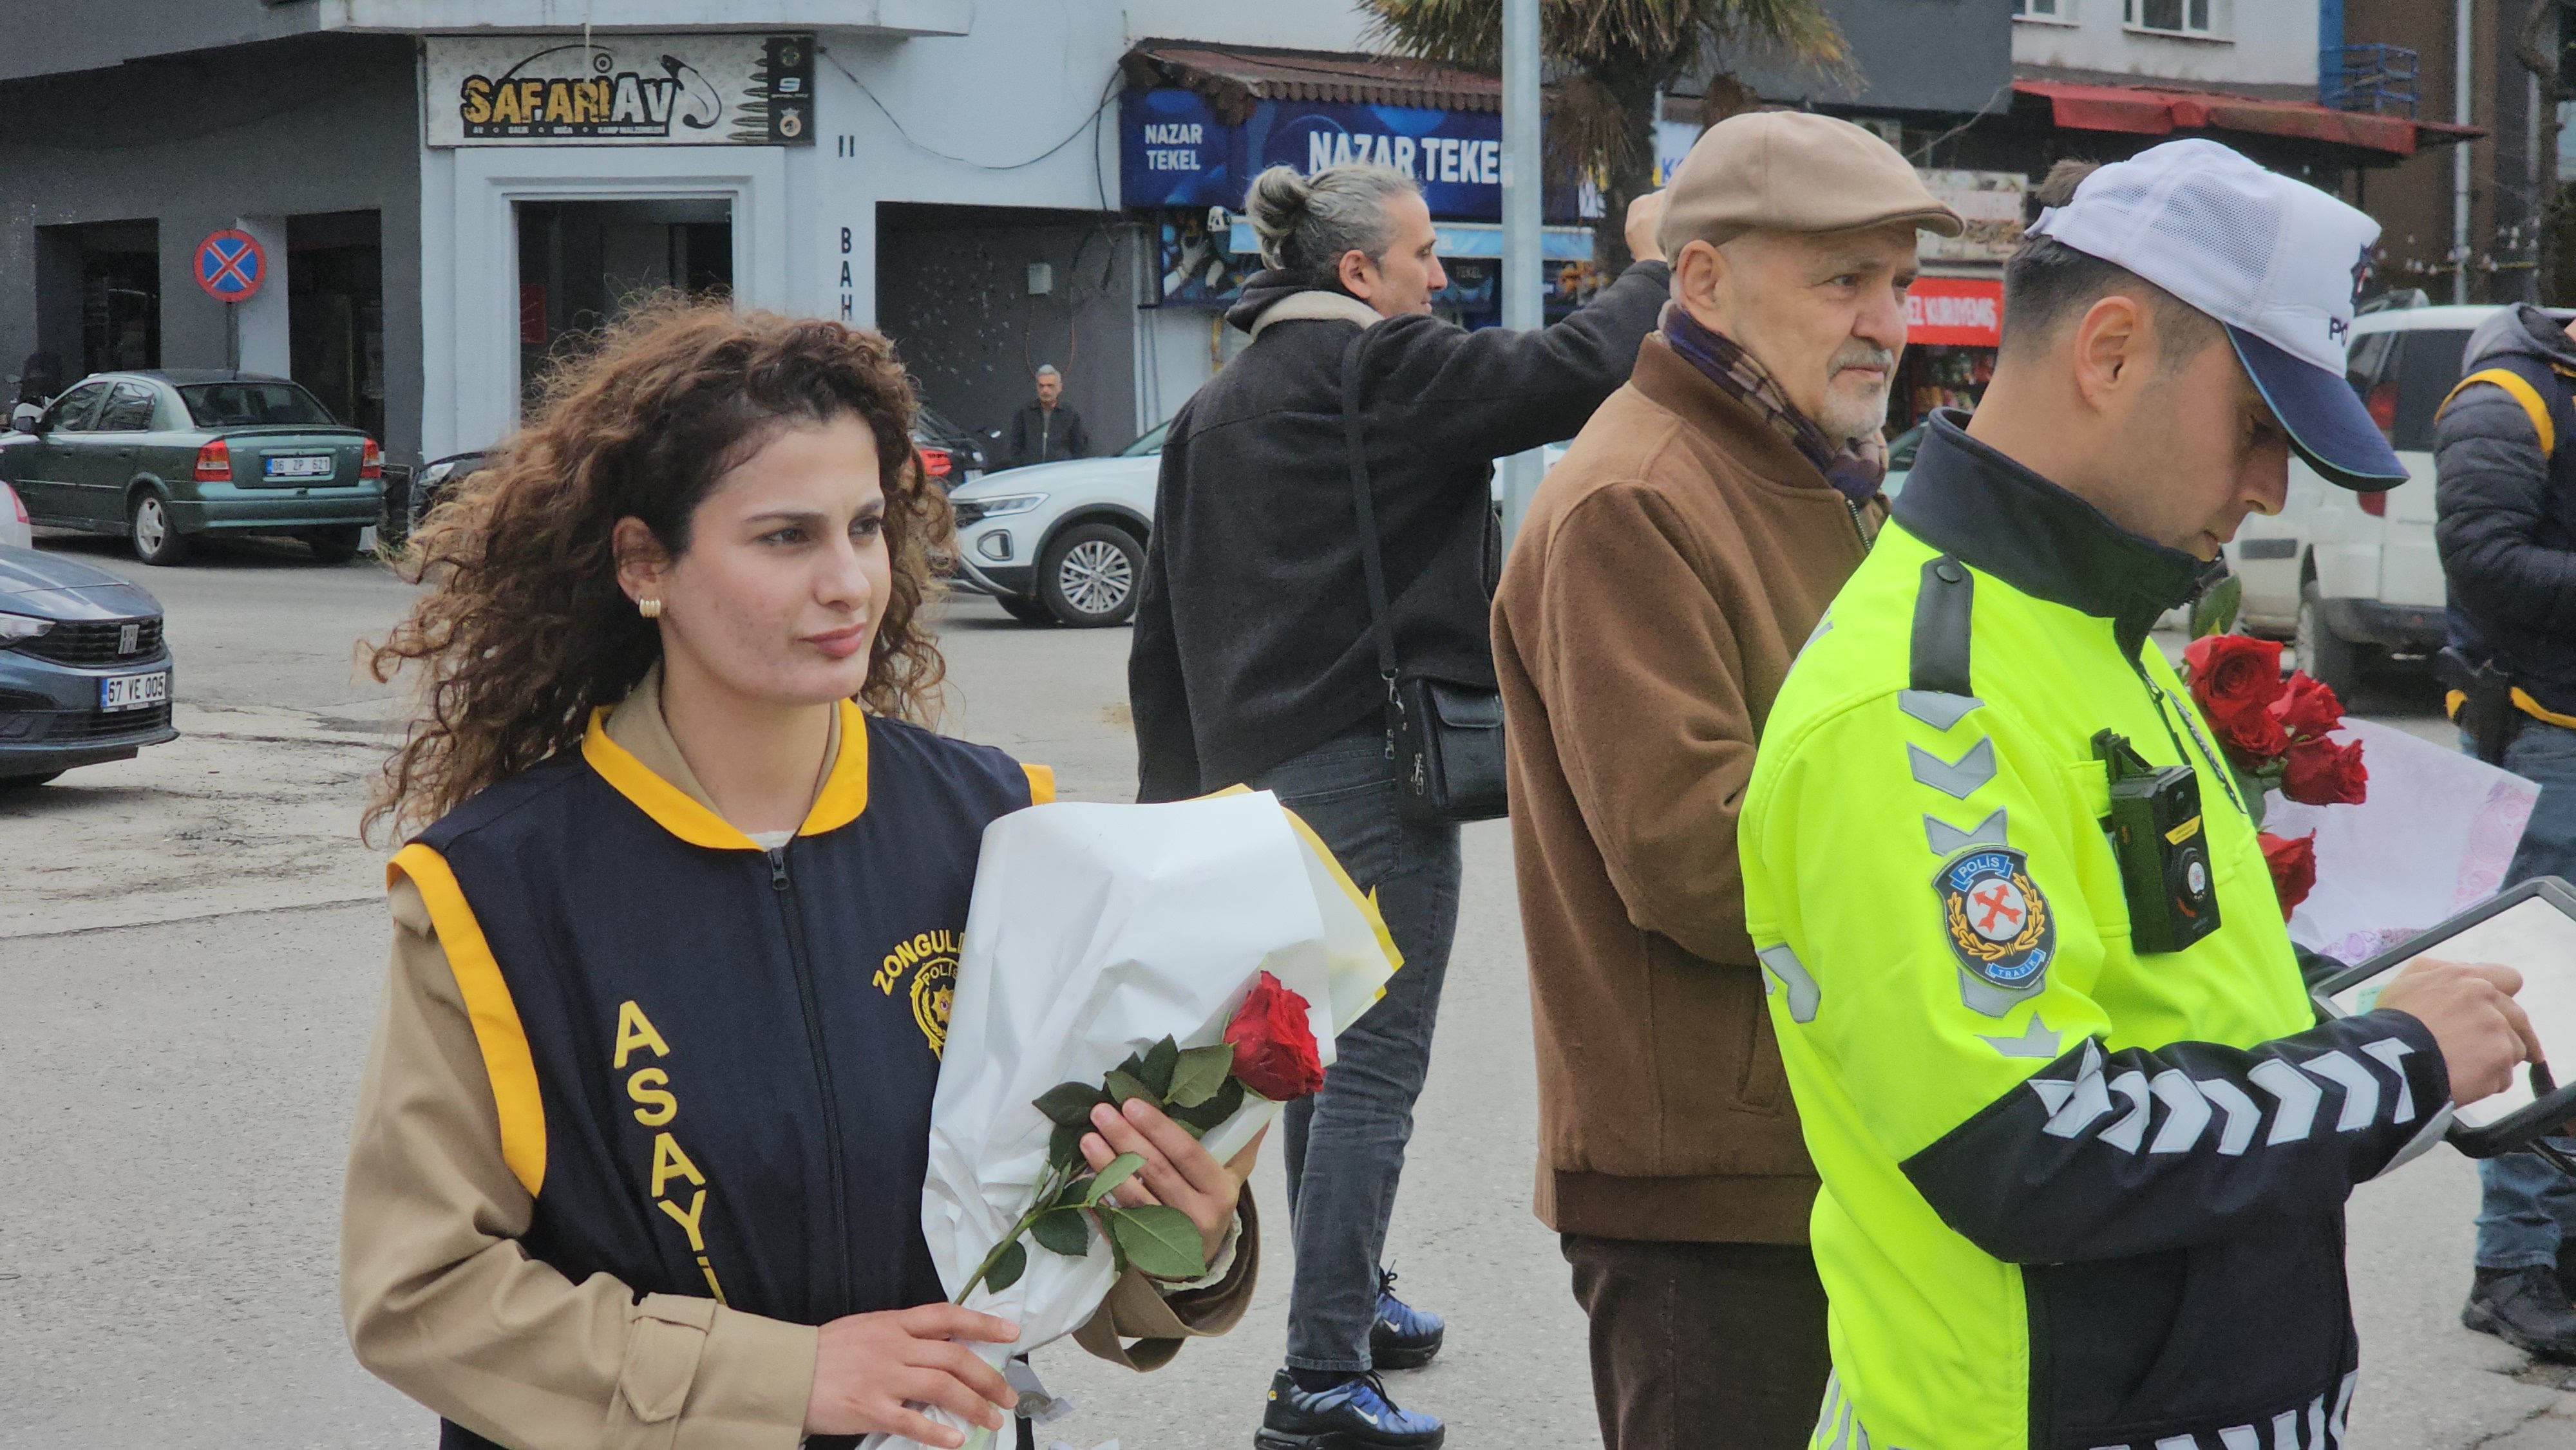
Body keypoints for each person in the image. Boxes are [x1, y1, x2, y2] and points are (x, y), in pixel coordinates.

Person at [341, 302, 1260, 1450]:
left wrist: (1194, 1237)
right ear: (645, 563)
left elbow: (1056, 1243)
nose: (851, 583)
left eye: (867, 527)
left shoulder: (1001, 827)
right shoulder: (495, 890)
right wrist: (783, 1379)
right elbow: (420, 1295)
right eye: (786, 537)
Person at [1738, 140, 2544, 1449]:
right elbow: (2027, 1145)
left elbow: (2187, 995)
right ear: (2107, 351)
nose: (2271, 487)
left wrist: (2384, 1014)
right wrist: (2393, 1063)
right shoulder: (1916, 703)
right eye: (2255, 428)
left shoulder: (2090, 626)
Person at [1128, 160, 1671, 1450]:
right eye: (1423, 256)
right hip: (1370, 778)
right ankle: (1314, 1379)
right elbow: (1574, 365)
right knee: (1365, 1073)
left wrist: (1175, 815)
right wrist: (1657, 255)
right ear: (1356, 272)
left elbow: (1158, 632)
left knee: (1306, 1059)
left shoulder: (1213, 408)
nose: (1440, 278)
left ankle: (1348, 1298)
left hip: (1248, 790)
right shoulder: (1379, 368)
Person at [1491, 111, 1960, 1450]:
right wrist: (1964, 850)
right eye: (1838, 281)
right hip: (1703, 1180)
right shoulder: (1633, 497)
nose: (1882, 320)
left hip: (1816, 1142)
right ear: (1700, 283)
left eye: (1895, 282)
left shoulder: (1810, 469)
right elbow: (1697, 863)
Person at [2434, 303, 2576, 1355]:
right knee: (2542, 996)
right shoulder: (2509, 394)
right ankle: (2512, 1260)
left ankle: (2558, 1250)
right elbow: (2481, 555)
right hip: (2546, 745)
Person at [1005, 364, 1090, 468]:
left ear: (1060, 387)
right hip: (1030, 473)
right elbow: (1015, 446)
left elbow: (1079, 448)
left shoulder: (1070, 414)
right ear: (1037, 387)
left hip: (1060, 473)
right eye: (1041, 386)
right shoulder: (1024, 413)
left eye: (1050, 386)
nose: (1045, 390)